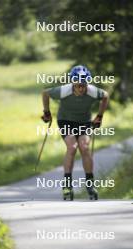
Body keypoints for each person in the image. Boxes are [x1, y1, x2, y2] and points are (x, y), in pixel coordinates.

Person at [41, 65, 109, 200]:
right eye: (78, 85)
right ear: (73, 83)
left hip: (84, 122)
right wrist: (47, 112)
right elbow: (45, 93)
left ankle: (90, 184)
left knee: (84, 147)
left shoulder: (92, 91)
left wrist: (99, 116)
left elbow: (105, 96)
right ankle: (67, 185)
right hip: (65, 120)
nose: (82, 88)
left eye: (84, 85)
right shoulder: (63, 90)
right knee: (72, 148)